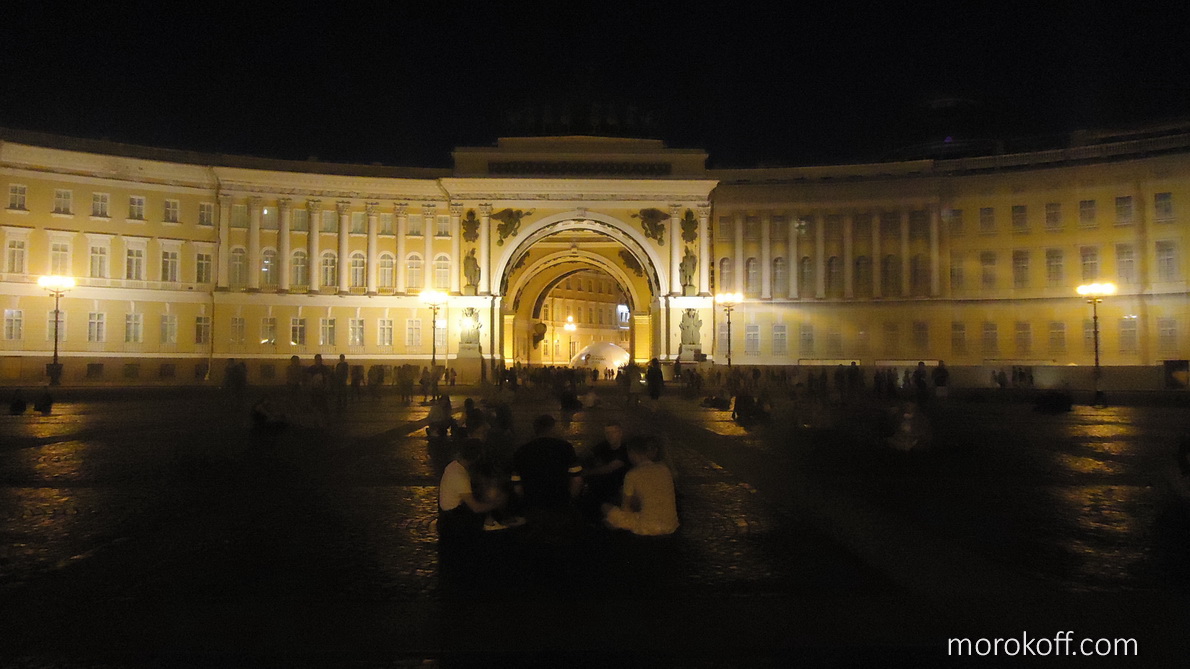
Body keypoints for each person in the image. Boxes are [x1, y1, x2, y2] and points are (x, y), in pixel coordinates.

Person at [602, 435, 680, 536]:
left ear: (632, 453)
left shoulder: (632, 474)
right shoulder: (664, 469)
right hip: (670, 525)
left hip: (647, 526)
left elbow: (626, 509)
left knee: (605, 508)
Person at [438, 439, 509, 540]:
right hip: (455, 519)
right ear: (478, 457)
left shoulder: (453, 465)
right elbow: (476, 507)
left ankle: (490, 521)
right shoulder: (460, 476)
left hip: (448, 515)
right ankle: (489, 523)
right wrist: (497, 503)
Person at [511, 414, 583, 513]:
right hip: (560, 503)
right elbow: (577, 480)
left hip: (533, 505)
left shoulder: (521, 451)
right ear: (552, 427)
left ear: (535, 429)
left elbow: (517, 486)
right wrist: (570, 500)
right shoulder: (565, 447)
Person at [584, 421, 630, 507]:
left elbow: (609, 468)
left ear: (620, 433)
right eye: (607, 433)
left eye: (613, 432)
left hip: (617, 488)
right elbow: (588, 455)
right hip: (601, 486)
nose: (610, 436)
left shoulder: (625, 449)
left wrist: (587, 472)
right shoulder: (603, 446)